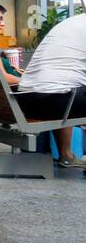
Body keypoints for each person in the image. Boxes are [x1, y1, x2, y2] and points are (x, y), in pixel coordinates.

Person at [16, 12, 86, 168]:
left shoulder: (70, 23)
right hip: (56, 102)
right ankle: (66, 155)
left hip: (27, 100)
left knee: (64, 85)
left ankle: (66, 155)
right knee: (65, 87)